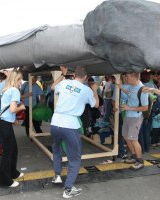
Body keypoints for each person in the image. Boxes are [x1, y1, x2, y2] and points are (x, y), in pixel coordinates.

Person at [50, 66, 99, 199]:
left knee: (56, 150)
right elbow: (96, 105)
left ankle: (57, 176)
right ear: (85, 76)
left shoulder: (65, 82)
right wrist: (94, 90)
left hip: (55, 123)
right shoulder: (86, 90)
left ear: (74, 74)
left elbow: (53, 87)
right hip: (70, 125)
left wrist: (62, 74)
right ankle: (68, 189)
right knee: (75, 158)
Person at [0, 69, 25, 187]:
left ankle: (13, 172)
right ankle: (4, 181)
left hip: (3, 123)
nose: (21, 82)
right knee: (8, 152)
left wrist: (14, 119)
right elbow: (13, 109)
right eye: (21, 80)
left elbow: (7, 109)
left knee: (13, 149)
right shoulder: (14, 90)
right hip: (4, 124)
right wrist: (22, 107)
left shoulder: (7, 89)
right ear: (16, 80)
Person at [118, 72, 149, 170]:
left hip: (135, 117)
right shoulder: (131, 86)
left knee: (133, 139)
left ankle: (140, 161)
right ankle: (134, 156)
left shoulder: (143, 90)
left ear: (134, 77)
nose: (126, 79)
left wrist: (129, 108)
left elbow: (145, 108)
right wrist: (120, 87)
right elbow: (129, 93)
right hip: (128, 115)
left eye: (127, 77)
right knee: (126, 137)